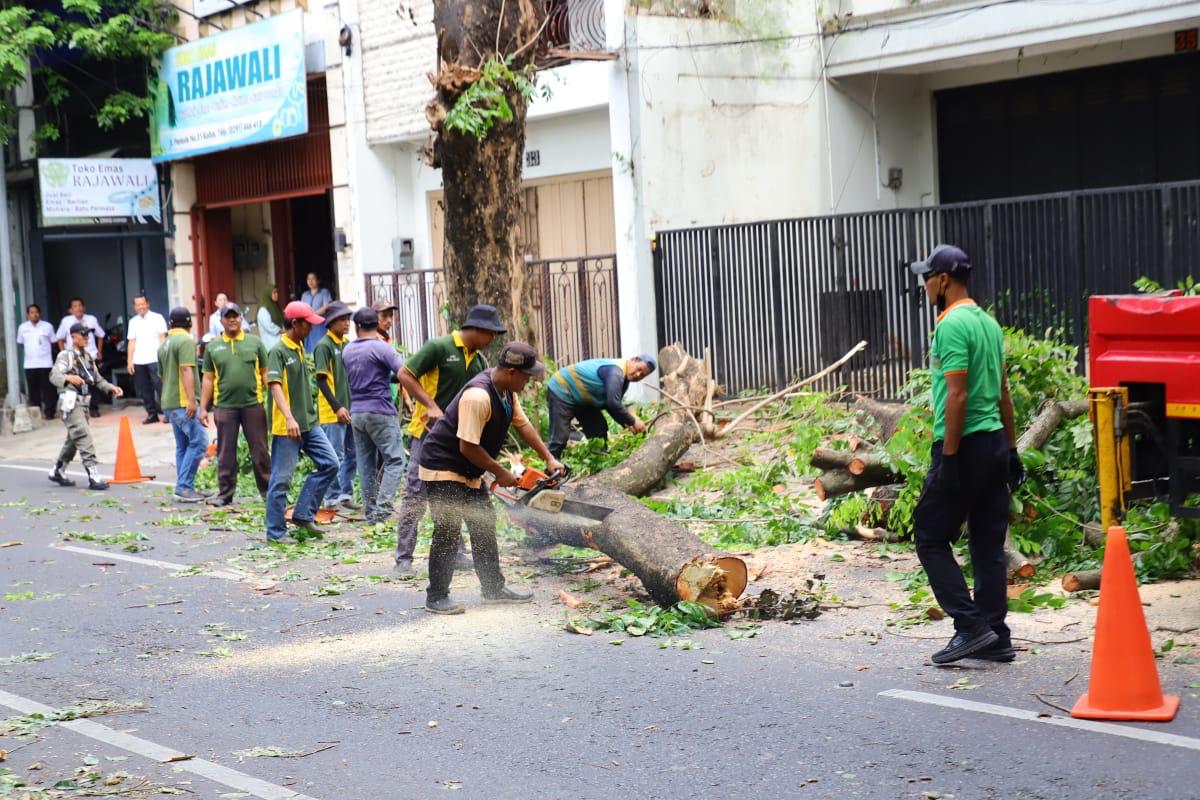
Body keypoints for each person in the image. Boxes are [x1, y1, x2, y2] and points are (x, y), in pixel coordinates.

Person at [909, 244, 1023, 665]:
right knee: (987, 546)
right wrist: (1011, 450)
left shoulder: (952, 325)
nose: (924, 286)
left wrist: (951, 458)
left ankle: (970, 626)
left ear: (942, 281)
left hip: (966, 445)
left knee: (930, 535)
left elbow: (956, 396)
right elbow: (1004, 393)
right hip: (993, 442)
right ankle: (996, 634)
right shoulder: (989, 324)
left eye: (927, 279)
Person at [419, 342, 565, 615]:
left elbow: (523, 425)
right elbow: (467, 446)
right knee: (448, 531)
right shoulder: (478, 396)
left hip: (469, 468)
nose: (529, 381)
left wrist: (548, 458)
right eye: (526, 375)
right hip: (443, 466)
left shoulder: (507, 393)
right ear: (511, 371)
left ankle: (493, 588)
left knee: (483, 524)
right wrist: (500, 472)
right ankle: (436, 596)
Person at [396, 304, 506, 572]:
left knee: (454, 494)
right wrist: (430, 405)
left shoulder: (479, 362)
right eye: (491, 334)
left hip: (457, 440)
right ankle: (404, 558)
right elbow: (404, 375)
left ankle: (456, 554)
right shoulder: (439, 347)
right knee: (416, 495)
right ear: (479, 330)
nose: (492, 340)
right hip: (426, 433)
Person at [264, 301, 340, 541]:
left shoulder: (299, 347)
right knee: (281, 480)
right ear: (295, 324)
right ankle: (275, 532)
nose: (311, 329)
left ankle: (303, 514)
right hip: (288, 427)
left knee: (330, 463)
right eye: (307, 325)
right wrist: (288, 418)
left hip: (309, 422)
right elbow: (275, 386)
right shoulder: (278, 351)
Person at [344, 308, 409, 538]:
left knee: (365, 465)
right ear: (377, 324)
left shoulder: (348, 350)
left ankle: (371, 514)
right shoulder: (382, 348)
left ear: (356, 326)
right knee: (395, 460)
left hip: (357, 413)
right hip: (380, 411)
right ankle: (383, 511)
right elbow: (404, 372)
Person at [199, 302, 271, 507]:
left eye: (235, 316)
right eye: (227, 316)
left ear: (241, 318)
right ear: (221, 321)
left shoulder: (255, 343)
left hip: (253, 405)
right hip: (224, 406)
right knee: (225, 452)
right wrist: (204, 407)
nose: (232, 319)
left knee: (260, 450)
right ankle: (225, 494)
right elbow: (208, 380)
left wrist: (275, 401)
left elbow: (266, 375)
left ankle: (267, 492)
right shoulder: (213, 347)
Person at [48, 322, 124, 490]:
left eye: (88, 335)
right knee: (83, 435)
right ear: (73, 337)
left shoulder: (87, 357)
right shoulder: (65, 356)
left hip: (83, 403)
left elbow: (96, 379)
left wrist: (111, 388)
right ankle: (94, 476)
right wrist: (68, 378)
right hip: (70, 402)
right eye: (83, 335)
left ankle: (57, 471)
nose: (87, 338)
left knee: (74, 439)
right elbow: (54, 376)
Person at [545, 355, 656, 458]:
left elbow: (611, 406)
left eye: (642, 375)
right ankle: (551, 469)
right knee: (560, 437)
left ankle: (599, 461)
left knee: (598, 430)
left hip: (582, 397)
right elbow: (613, 404)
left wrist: (626, 423)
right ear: (632, 360)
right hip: (562, 388)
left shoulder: (624, 379)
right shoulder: (616, 372)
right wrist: (633, 421)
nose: (638, 375)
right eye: (638, 369)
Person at [159, 307, 209, 503]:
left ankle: (185, 485)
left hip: (169, 401)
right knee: (199, 442)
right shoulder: (186, 340)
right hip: (182, 402)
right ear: (189, 322)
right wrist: (191, 400)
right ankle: (184, 487)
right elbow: (186, 370)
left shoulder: (164, 344)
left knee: (183, 445)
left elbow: (163, 376)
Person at [314, 301, 358, 511]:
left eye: (347, 319)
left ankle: (345, 494)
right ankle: (331, 497)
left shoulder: (347, 344)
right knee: (335, 455)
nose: (346, 323)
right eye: (342, 320)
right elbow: (321, 381)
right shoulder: (324, 346)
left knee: (352, 453)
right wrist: (337, 407)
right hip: (332, 412)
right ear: (331, 323)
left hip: (350, 409)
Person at [55, 298, 105, 418]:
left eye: (80, 305)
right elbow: (59, 338)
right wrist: (64, 353)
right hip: (74, 358)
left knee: (94, 383)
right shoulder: (66, 321)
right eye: (75, 306)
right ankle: (78, 409)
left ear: (84, 307)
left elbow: (101, 335)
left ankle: (94, 408)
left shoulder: (91, 319)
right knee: (77, 384)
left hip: (90, 356)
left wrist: (99, 350)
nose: (78, 308)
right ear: (70, 310)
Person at [126, 293, 168, 424]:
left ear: (148, 304)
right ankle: (152, 414)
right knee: (144, 389)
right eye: (138, 305)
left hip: (155, 358)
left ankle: (167, 413)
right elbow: (131, 342)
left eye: (143, 304)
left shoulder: (157, 318)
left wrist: (163, 357)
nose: (141, 307)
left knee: (160, 387)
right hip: (139, 360)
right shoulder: (133, 322)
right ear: (134, 307)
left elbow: (163, 338)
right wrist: (129, 361)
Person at [17, 304, 57, 420]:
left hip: (45, 363)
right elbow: (21, 343)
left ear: (40, 313)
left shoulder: (47, 326)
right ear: (27, 314)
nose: (34, 314)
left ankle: (49, 412)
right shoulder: (22, 328)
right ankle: (37, 413)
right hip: (30, 364)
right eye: (31, 312)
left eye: (36, 312)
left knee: (48, 389)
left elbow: (53, 341)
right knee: (33, 389)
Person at [300, 273, 332, 352]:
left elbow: (326, 306)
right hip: (308, 325)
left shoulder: (324, 292)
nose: (310, 281)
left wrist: (312, 315)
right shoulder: (304, 295)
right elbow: (301, 308)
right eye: (308, 279)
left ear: (318, 280)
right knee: (310, 349)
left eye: (313, 279)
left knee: (321, 346)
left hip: (320, 325)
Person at [256, 284, 283, 350]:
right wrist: (281, 330)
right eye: (274, 292)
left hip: (279, 342)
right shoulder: (263, 310)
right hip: (270, 343)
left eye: (277, 292)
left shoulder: (276, 307)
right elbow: (269, 327)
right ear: (268, 294)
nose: (276, 294)